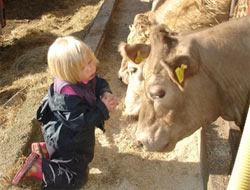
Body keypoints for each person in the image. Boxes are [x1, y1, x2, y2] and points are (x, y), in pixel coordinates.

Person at [12, 36, 117, 189]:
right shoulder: (66, 96)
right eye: (82, 67)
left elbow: (98, 83)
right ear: (67, 72)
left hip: (67, 136)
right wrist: (102, 108)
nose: (90, 68)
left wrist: (104, 92)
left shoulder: (83, 77)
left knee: (83, 157)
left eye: (90, 61)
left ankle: (46, 150)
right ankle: (39, 167)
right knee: (75, 179)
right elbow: (80, 122)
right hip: (67, 140)